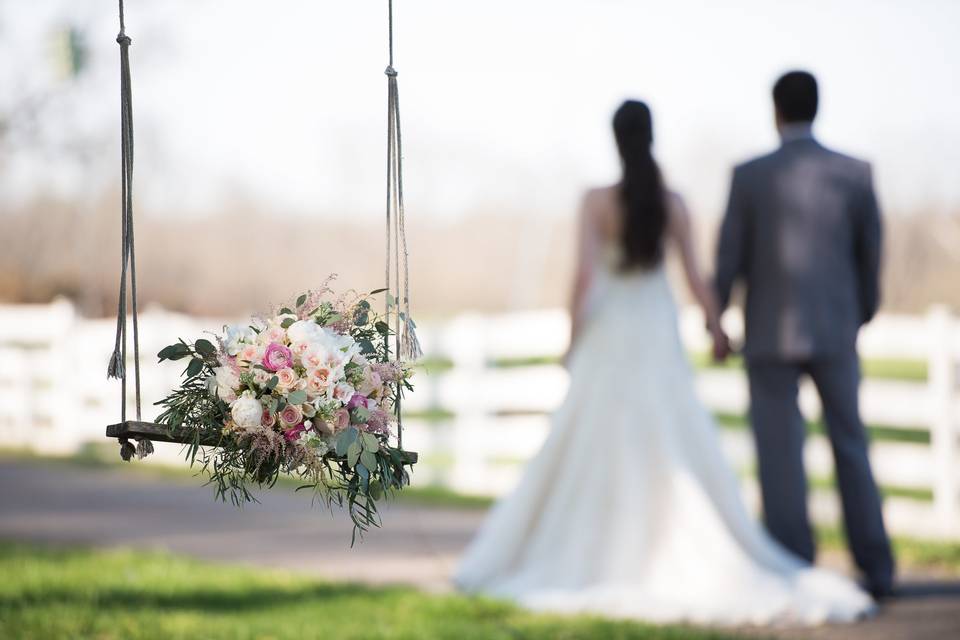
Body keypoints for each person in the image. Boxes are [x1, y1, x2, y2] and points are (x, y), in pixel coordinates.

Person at [454, 99, 875, 625]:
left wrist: (571, 338)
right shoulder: (672, 201)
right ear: (651, 136)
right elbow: (699, 280)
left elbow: (584, 278)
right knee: (666, 435)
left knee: (597, 440)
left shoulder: (595, 201)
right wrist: (718, 327)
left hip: (611, 332)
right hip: (654, 328)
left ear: (615, 138)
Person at [714, 70, 895, 599]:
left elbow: (729, 256)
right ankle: (876, 567)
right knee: (851, 445)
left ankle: (793, 567)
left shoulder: (749, 176)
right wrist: (859, 313)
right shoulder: (854, 173)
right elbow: (871, 254)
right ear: (817, 107)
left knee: (779, 453)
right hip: (836, 329)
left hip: (769, 332)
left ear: (776, 111)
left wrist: (719, 317)